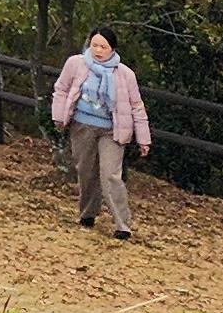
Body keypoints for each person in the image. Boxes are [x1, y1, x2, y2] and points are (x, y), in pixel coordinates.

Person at [52, 27, 151, 240]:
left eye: (103, 47)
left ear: (112, 49)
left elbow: (136, 106)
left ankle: (122, 224)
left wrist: (144, 138)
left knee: (111, 175)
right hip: (82, 125)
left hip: (112, 130)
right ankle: (88, 213)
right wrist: (59, 116)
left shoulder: (125, 74)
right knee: (86, 171)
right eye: (94, 45)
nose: (98, 50)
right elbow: (61, 89)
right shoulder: (75, 64)